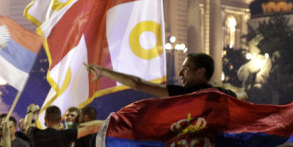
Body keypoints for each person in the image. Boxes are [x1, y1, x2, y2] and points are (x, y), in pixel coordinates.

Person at [86, 52, 237, 98]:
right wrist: (222, 87)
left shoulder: (184, 94)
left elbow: (138, 83)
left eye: (185, 69)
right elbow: (242, 94)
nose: (180, 73)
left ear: (201, 71)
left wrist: (104, 71)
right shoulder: (224, 94)